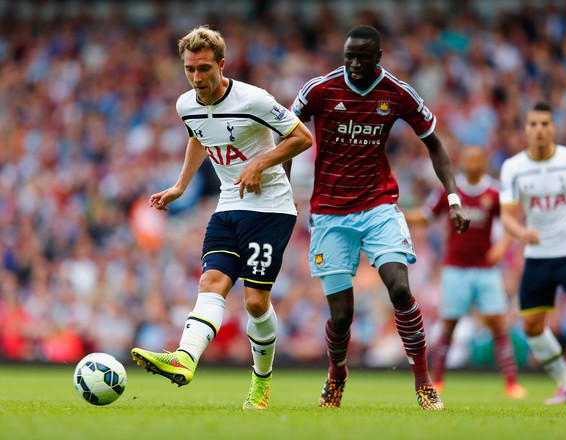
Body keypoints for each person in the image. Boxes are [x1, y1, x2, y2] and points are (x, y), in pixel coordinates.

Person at [130, 26, 313, 410]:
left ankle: (260, 384)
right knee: (211, 282)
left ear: (222, 64)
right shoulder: (185, 105)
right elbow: (199, 135)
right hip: (228, 206)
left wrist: (260, 162)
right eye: (190, 69)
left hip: (270, 209)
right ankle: (185, 357)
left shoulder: (254, 99)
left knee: (255, 303)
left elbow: (301, 138)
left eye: (204, 69)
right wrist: (180, 186)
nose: (197, 78)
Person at [291, 25, 469, 410]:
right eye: (348, 56)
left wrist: (452, 197)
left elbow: (435, 145)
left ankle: (423, 383)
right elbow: (286, 134)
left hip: (378, 206)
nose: (354, 63)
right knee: (342, 316)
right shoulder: (320, 90)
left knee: (400, 288)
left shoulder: (397, 93)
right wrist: (283, 193)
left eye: (362, 57)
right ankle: (336, 374)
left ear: (378, 58)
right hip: (329, 213)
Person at [405, 146, 527, 399]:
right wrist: (397, 213)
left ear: (483, 162)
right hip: (456, 268)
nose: (472, 163)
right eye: (468, 159)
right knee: (449, 325)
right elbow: (427, 216)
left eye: (477, 159)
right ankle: (437, 380)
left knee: (498, 324)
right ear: (462, 162)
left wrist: (502, 247)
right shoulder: (450, 191)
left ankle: (511, 383)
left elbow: (509, 222)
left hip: (485, 269)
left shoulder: (494, 192)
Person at [499, 102, 566, 404]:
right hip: (538, 256)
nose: (539, 129)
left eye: (544, 124)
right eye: (533, 124)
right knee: (532, 326)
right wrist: (520, 232)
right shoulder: (513, 168)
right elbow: (507, 215)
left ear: (553, 128)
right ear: (525, 129)